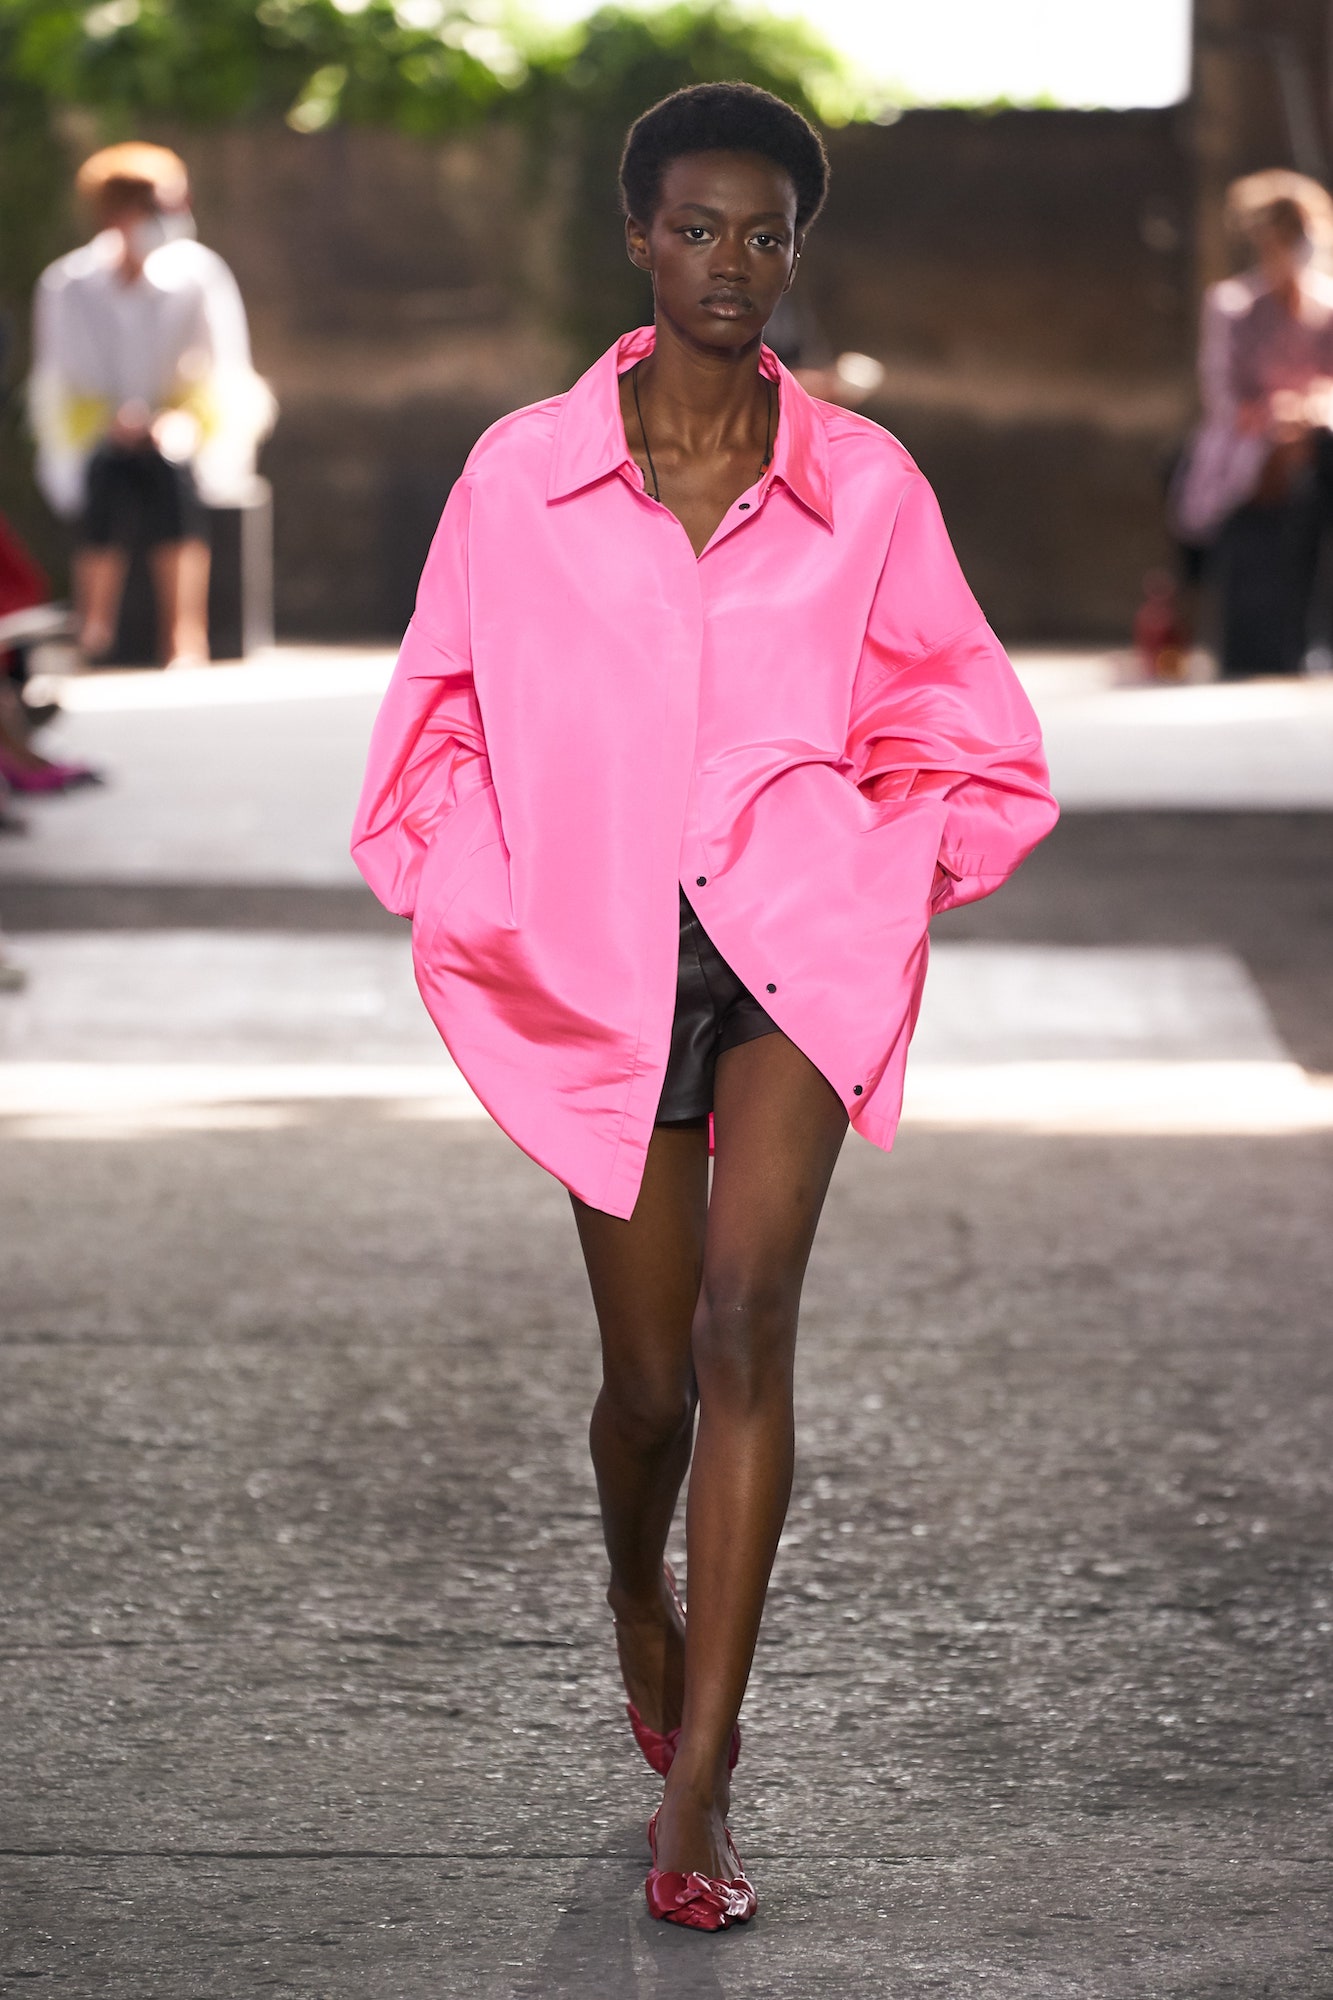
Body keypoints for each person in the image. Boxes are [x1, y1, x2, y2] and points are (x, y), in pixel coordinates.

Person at [353, 83, 1058, 1933]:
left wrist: (879, 869)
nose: (730, 263)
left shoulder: (865, 487)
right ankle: (630, 1587)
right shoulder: (521, 475)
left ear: (792, 255)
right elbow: (433, 722)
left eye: (764, 234)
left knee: (750, 1321)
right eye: (696, 229)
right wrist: (486, 890)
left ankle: (700, 1780)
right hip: (594, 953)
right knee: (648, 1386)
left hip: (785, 950)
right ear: (637, 240)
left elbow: (967, 731)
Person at [30, 142, 274, 667]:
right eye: (158, 206)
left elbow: (221, 372)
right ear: (116, 212)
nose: (173, 216)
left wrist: (178, 422)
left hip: (181, 434)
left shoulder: (200, 275)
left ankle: (184, 634)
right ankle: (94, 628)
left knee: (170, 476)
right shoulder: (67, 283)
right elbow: (63, 380)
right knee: (105, 475)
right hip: (98, 435)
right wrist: (112, 423)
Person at [1171, 170, 1333, 678]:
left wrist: (1309, 414)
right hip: (1249, 446)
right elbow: (1225, 397)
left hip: (1315, 439)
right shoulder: (1233, 305)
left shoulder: (1326, 307)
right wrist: (1278, 421)